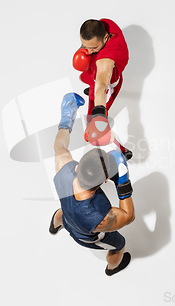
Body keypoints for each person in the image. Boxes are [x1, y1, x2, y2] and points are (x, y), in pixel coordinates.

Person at [51, 92, 135, 276]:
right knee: (119, 245)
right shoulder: (99, 217)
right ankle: (113, 268)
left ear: (78, 166)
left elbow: (59, 146)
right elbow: (128, 216)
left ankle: (55, 225)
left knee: (64, 213)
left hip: (67, 216)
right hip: (87, 237)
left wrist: (67, 117)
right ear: (105, 180)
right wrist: (123, 180)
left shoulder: (64, 169)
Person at [72, 18, 132, 160]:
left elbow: (101, 86)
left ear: (105, 37)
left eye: (93, 48)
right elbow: (89, 45)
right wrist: (85, 48)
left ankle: (120, 148)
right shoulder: (104, 25)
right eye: (85, 45)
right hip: (95, 74)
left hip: (106, 87)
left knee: (94, 131)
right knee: (87, 68)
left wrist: (99, 116)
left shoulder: (106, 60)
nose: (88, 51)